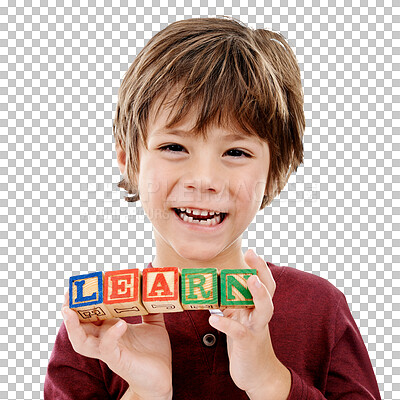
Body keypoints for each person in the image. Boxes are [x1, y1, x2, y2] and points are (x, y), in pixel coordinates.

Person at [44, 16, 381, 399]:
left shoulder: (320, 310)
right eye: (174, 147)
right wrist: (144, 392)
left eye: (235, 152)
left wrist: (269, 380)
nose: (204, 179)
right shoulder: (97, 328)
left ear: (274, 171)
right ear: (128, 159)